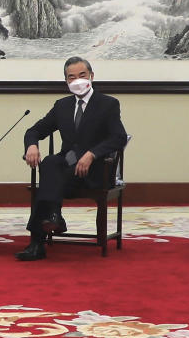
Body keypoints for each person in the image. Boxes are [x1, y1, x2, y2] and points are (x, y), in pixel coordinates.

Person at [19, 56, 127, 261]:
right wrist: (31, 145)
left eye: (82, 75)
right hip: (66, 168)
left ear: (92, 76)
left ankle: (37, 242)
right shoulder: (62, 106)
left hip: (94, 170)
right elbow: (34, 130)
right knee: (50, 162)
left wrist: (92, 154)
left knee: (49, 180)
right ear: (66, 82)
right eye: (71, 77)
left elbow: (118, 137)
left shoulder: (108, 104)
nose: (77, 80)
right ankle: (53, 217)